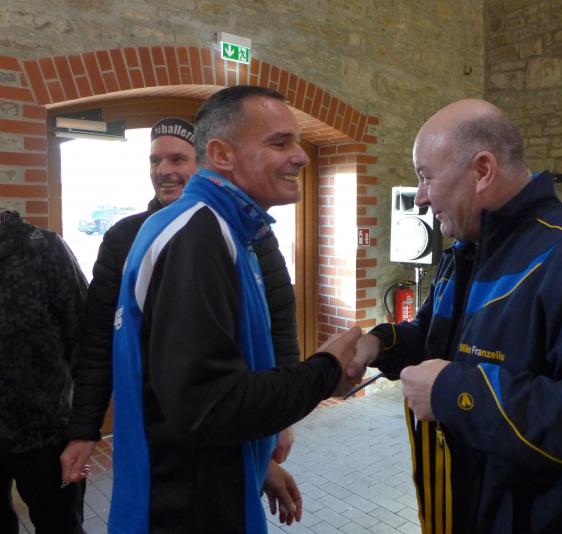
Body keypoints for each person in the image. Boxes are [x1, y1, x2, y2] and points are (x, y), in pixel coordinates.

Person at [347, 99, 562, 533]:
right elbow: (434, 335)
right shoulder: (465, 252)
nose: (422, 198)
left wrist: (455, 394)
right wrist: (376, 344)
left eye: (426, 177)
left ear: (483, 171)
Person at [108, 85, 360, 534]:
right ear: (222, 155)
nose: (300, 157)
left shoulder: (226, 230)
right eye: (280, 143)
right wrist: (326, 372)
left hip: (209, 487)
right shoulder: (197, 237)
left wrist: (258, 466)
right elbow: (209, 408)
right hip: (179, 513)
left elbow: (201, 387)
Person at [60, 118, 300, 485]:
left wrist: (281, 416)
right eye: (155, 161)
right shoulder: (125, 238)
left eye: (177, 159)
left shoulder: (250, 233)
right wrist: (84, 428)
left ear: (203, 165)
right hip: (150, 425)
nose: (163, 171)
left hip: (230, 415)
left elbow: (279, 323)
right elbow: (98, 339)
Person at [0, 210, 87, 533]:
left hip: (46, 437)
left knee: (60, 527)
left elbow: (85, 340)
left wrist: (83, 428)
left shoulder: (43, 249)